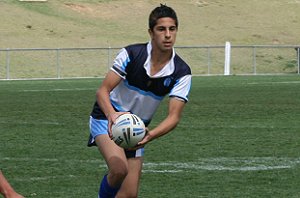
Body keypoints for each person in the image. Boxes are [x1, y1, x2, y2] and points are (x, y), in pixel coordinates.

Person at [88, 4, 192, 198]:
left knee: (129, 194)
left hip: (137, 130)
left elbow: (174, 117)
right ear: (151, 32)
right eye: (161, 29)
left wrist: (149, 135)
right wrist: (112, 115)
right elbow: (102, 90)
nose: (168, 35)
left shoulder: (181, 72)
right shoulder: (131, 54)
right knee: (119, 169)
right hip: (106, 118)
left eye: (172, 29)